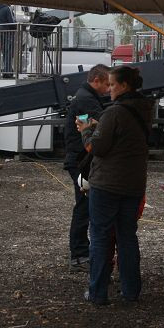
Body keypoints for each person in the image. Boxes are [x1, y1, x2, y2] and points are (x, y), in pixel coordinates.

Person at [77, 65, 152, 305]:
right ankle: (131, 291)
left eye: (112, 84)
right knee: (127, 236)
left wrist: (87, 131)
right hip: (134, 182)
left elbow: (97, 148)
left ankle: (97, 293)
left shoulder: (115, 113)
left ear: (124, 85)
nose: (109, 89)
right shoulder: (144, 108)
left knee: (100, 236)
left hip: (107, 183)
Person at [63, 64, 110, 271]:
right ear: (96, 80)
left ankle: (81, 251)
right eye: (107, 84)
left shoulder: (84, 96)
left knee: (85, 205)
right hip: (81, 159)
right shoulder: (87, 100)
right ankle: (79, 254)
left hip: (79, 157)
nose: (109, 89)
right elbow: (105, 123)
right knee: (83, 206)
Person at [0, 3, 17, 78]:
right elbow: (12, 22)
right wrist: (16, 25)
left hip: (0, 33)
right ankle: (7, 72)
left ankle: (7, 70)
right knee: (9, 53)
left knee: (5, 53)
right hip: (9, 33)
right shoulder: (7, 8)